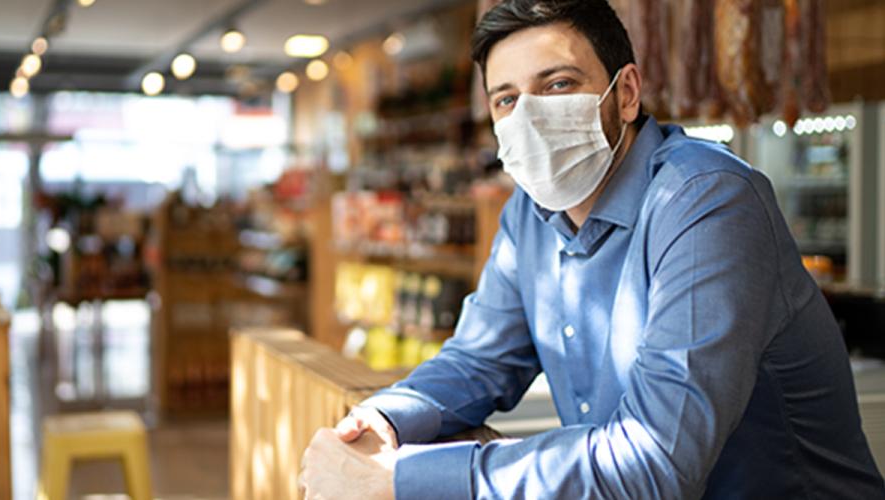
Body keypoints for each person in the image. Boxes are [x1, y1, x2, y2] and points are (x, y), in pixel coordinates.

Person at [299, 0, 885, 498]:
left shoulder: (707, 201)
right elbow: (478, 361)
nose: (529, 115)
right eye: (506, 99)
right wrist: (383, 417)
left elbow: (655, 460)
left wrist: (408, 479)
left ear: (625, 92)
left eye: (557, 85)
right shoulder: (528, 215)